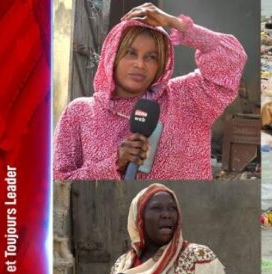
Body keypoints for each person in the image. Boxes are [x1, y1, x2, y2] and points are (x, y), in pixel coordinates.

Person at [54, 3, 247, 180]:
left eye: (151, 57)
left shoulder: (187, 98)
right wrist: (114, 163)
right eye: (130, 53)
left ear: (161, 63)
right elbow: (59, 182)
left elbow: (232, 57)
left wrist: (174, 22)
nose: (140, 64)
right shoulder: (79, 114)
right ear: (113, 54)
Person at [106, 183, 238, 274]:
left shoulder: (198, 258)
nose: (166, 215)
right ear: (139, 218)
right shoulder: (121, 265)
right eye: (156, 208)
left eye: (172, 208)